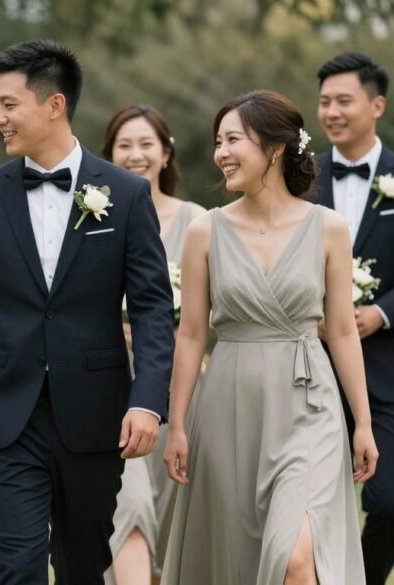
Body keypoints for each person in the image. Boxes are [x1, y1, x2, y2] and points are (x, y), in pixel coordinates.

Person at [0, 40, 176, 584]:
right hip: (3, 414)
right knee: (17, 565)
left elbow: (153, 310)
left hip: (96, 416)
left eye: (7, 104)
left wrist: (148, 402)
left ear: (54, 105)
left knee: (82, 567)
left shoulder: (127, 194)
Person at [162, 90, 377, 585]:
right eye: (218, 141)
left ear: (276, 148)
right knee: (239, 556)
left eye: (233, 139)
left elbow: (342, 331)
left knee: (296, 561)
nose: (221, 153)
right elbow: (192, 333)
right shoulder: (206, 231)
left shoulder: (329, 229)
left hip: (310, 406)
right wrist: (177, 424)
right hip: (229, 406)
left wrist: (361, 421)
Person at [100, 104, 206, 585]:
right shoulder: (95, 218)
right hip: (112, 385)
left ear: (166, 153)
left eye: (146, 144)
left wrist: (177, 332)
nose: (135, 154)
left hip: (184, 389)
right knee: (130, 503)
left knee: (175, 515)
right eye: (124, 145)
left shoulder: (198, 221)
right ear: (109, 155)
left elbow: (220, 309)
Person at [315, 52, 394, 585]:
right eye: (324, 102)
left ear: (376, 105)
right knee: (314, 503)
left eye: (344, 100)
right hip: (312, 365)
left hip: (387, 369)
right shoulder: (299, 178)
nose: (332, 112)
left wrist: (383, 313)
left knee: (388, 499)